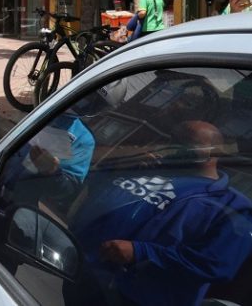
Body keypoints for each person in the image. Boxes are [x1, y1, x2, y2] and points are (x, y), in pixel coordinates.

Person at [65, 120, 252, 306]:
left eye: (187, 143)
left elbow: (216, 264)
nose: (176, 147)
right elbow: (90, 190)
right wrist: (124, 169)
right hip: (83, 276)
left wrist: (141, 253)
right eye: (173, 140)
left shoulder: (233, 206)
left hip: (137, 299)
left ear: (214, 151)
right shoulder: (150, 171)